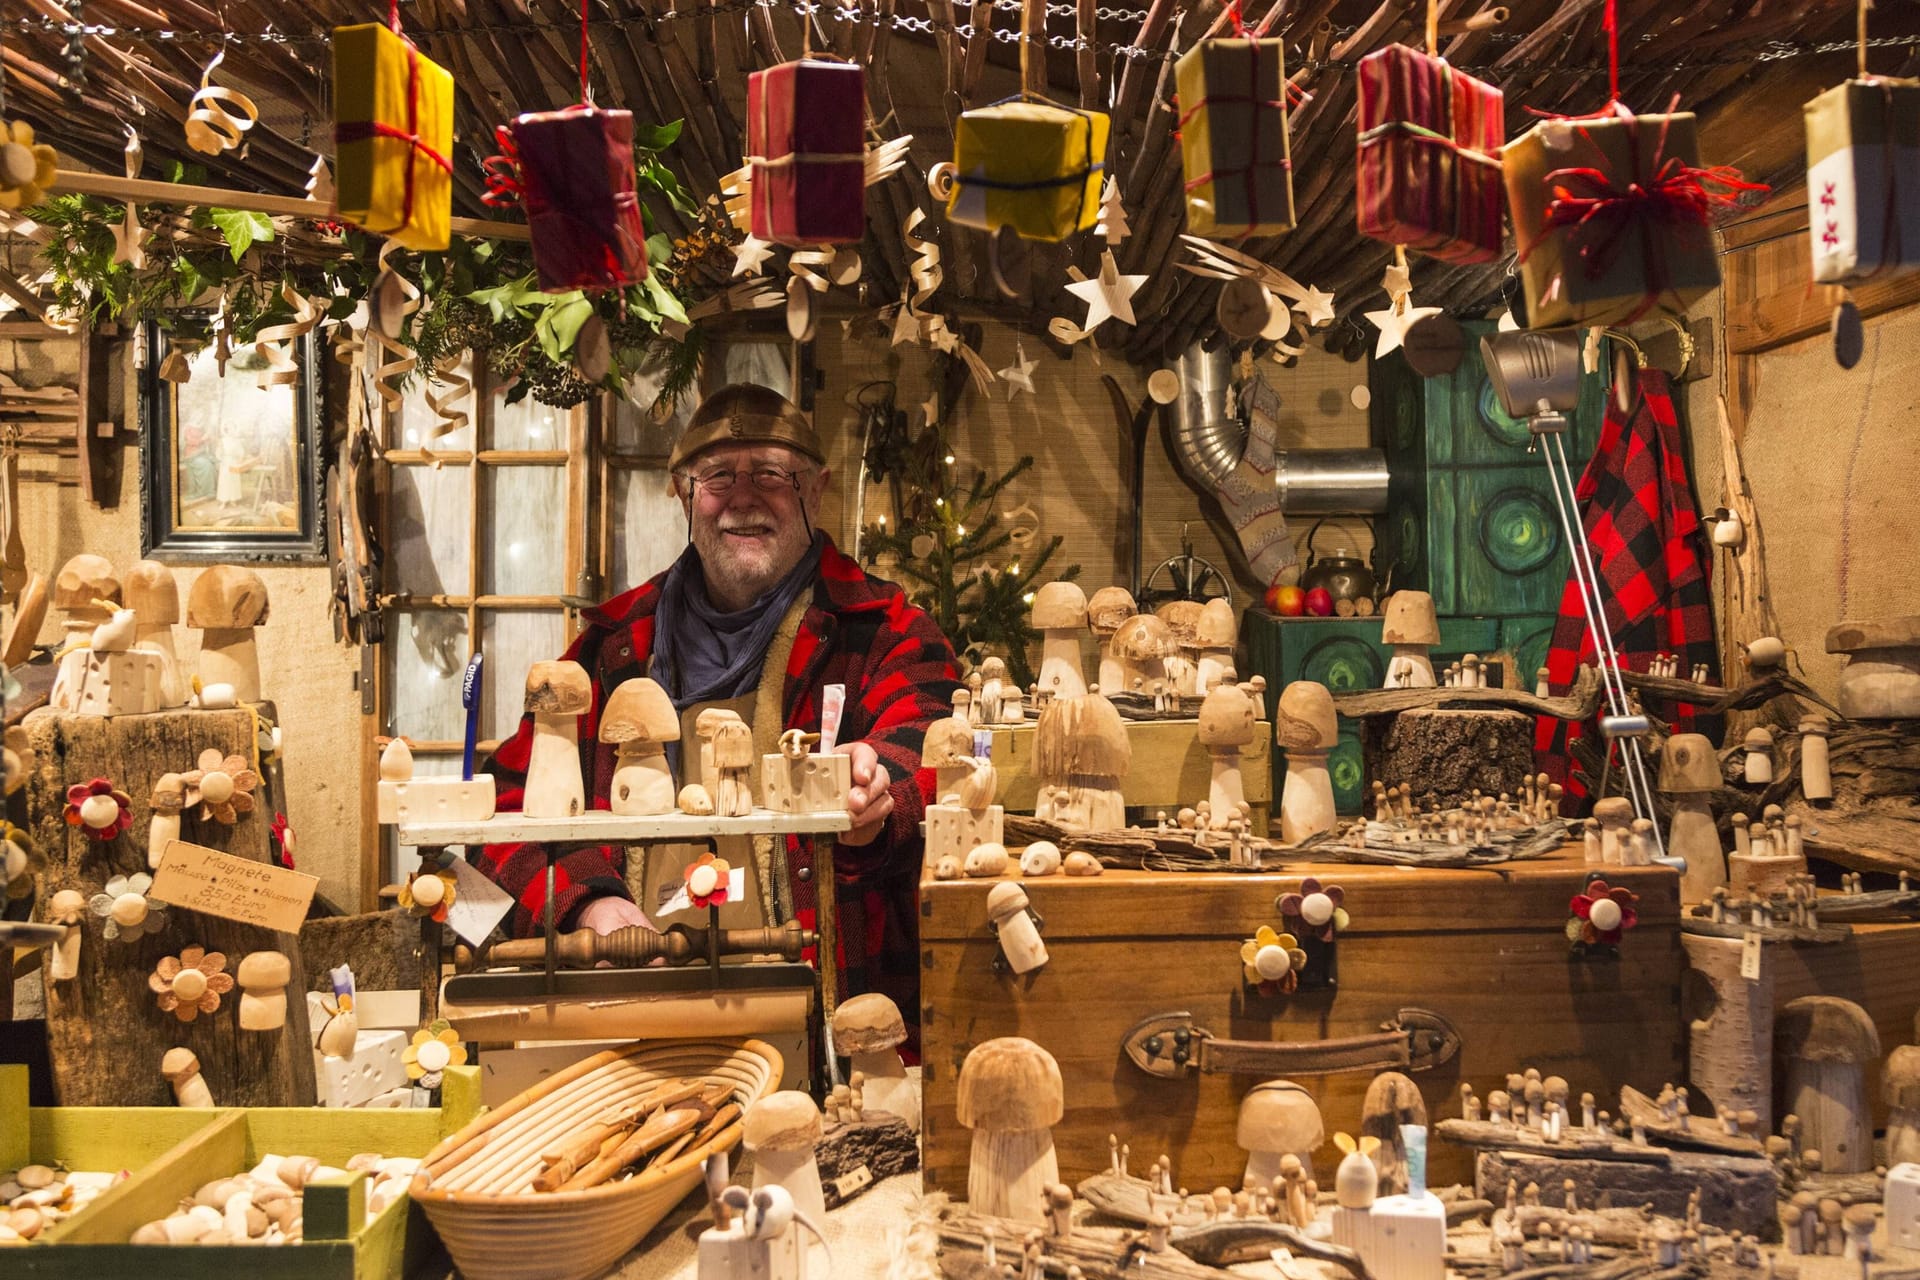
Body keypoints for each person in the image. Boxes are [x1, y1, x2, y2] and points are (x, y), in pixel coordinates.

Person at [479, 383, 959, 1031]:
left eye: (771, 474)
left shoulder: (883, 631)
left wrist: (876, 799)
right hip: (633, 1006)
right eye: (717, 477)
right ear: (682, 493)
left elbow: (931, 757)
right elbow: (510, 813)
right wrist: (590, 908)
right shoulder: (610, 649)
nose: (742, 497)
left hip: (831, 1008)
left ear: (815, 491)